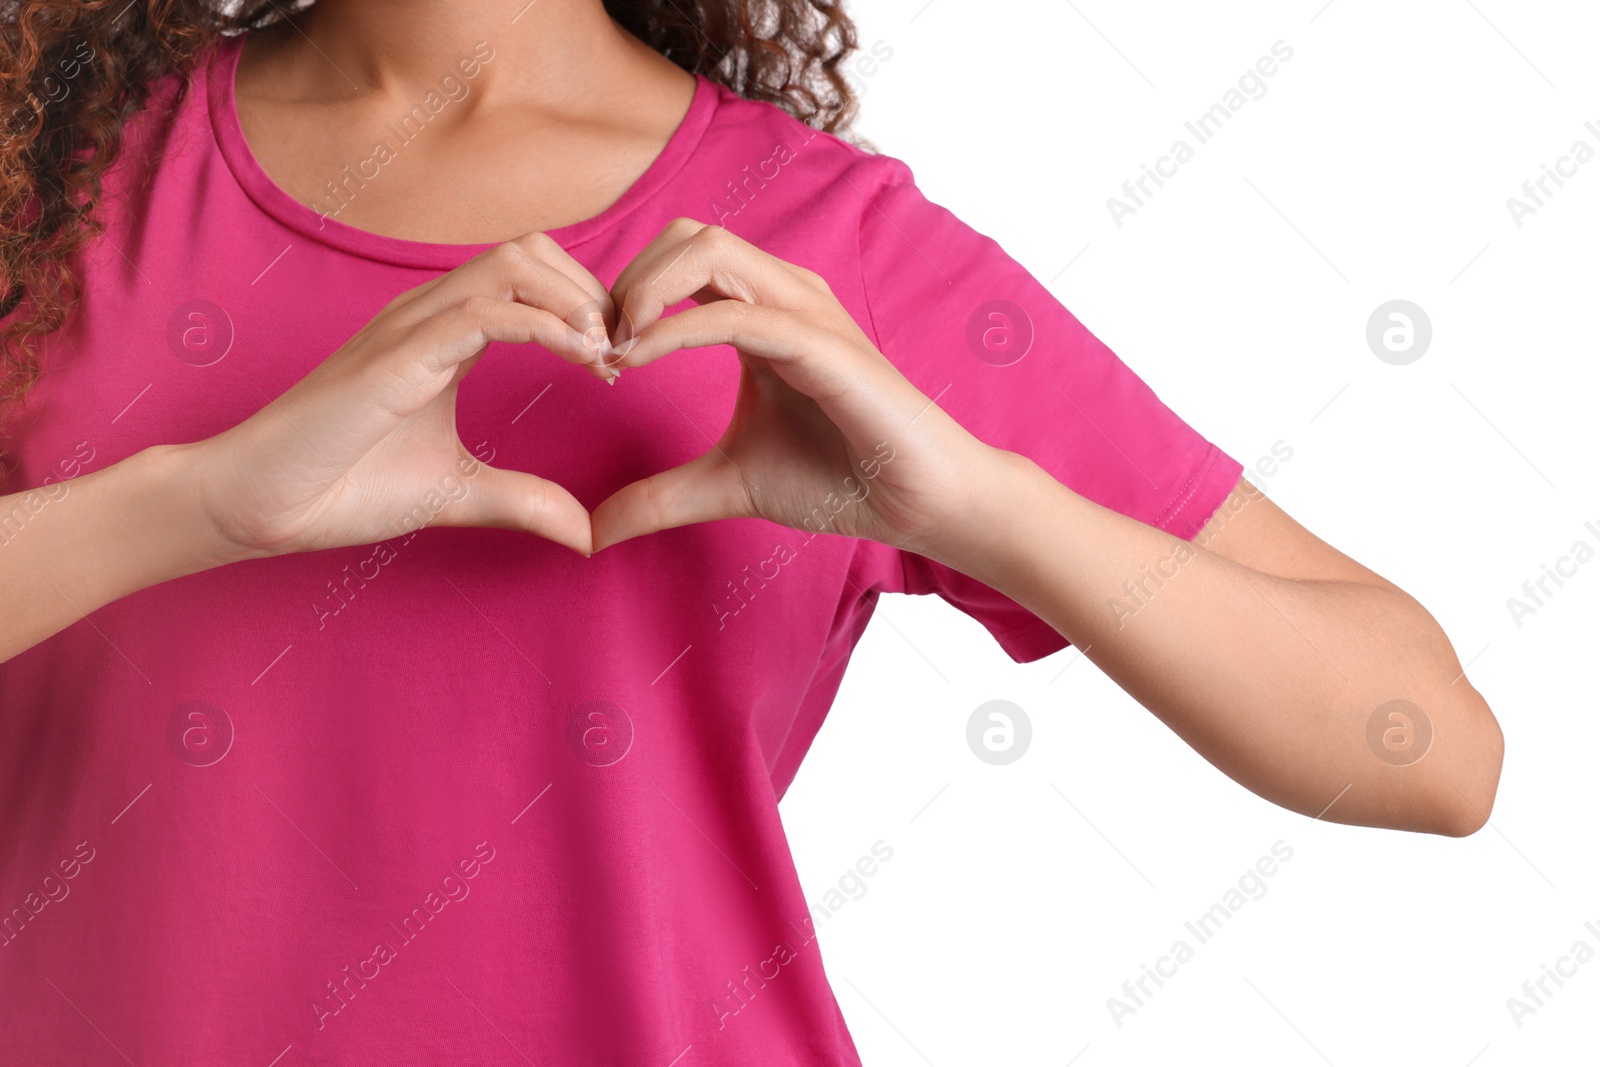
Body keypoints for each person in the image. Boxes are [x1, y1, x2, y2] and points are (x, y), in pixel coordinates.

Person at [0, 1, 1502, 1063]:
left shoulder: (817, 250)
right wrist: (192, 505)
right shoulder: (48, 172)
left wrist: (981, 501)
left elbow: (1429, 747)